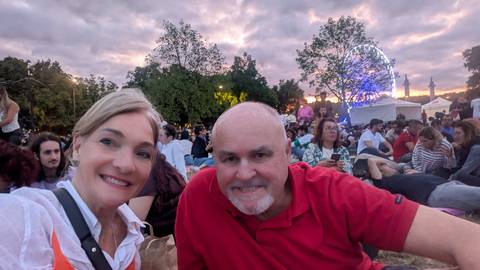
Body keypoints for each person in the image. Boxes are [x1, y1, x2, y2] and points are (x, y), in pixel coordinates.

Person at [175, 102, 480, 269]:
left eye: (260, 155)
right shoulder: (200, 196)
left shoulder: (335, 192)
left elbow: (467, 239)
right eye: (229, 159)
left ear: (286, 153)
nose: (244, 173)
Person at [0, 88, 162, 269]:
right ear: (77, 145)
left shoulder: (132, 235)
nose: (125, 165)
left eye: (143, 153)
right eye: (108, 142)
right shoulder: (26, 216)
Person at [366, 157, 480, 211]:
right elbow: (371, 161)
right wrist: (382, 162)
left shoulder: (404, 173)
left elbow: (402, 164)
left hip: (445, 184)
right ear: (380, 172)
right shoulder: (385, 183)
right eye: (383, 166)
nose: (388, 166)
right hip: (435, 192)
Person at [129, 152, 186, 237]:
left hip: (162, 239)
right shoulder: (160, 166)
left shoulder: (148, 175)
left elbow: (131, 222)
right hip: (175, 233)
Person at [451, 120, 480, 186]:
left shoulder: (476, 148)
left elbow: (464, 171)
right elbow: (456, 166)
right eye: (454, 133)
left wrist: (445, 182)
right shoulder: (465, 146)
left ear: (468, 134)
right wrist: (450, 155)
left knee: (460, 176)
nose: (455, 137)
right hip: (474, 177)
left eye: (458, 133)